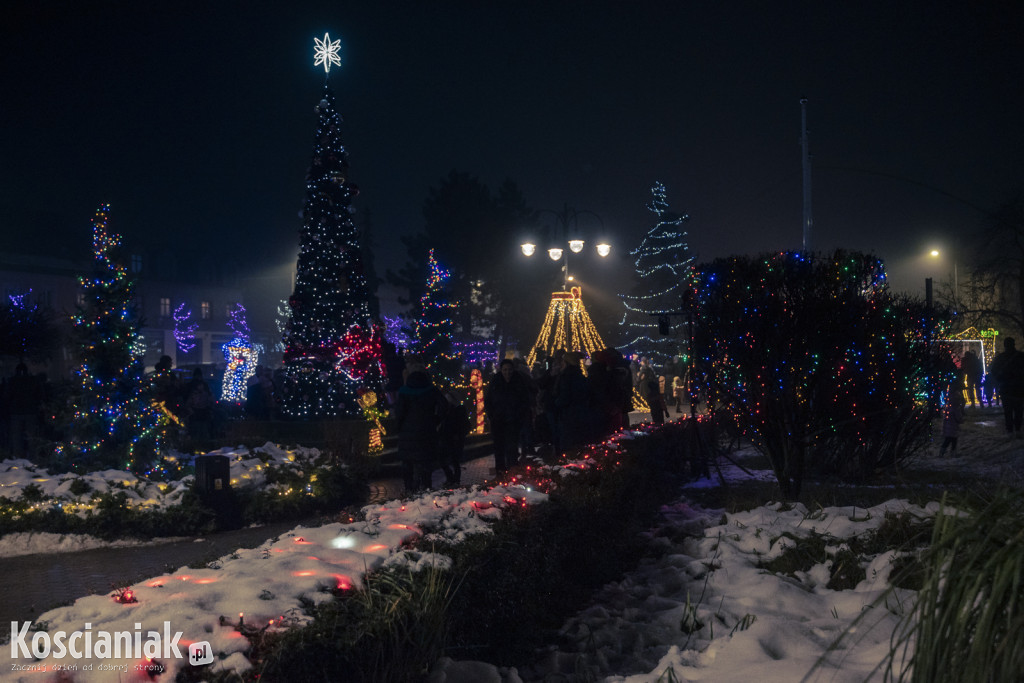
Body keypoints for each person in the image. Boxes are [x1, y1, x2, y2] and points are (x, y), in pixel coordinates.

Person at [394, 369, 447, 493]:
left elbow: (399, 412)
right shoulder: (431, 390)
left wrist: (399, 427)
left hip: (407, 432)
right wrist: (436, 419)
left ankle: (409, 489)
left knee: (407, 464)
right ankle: (426, 489)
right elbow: (444, 405)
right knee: (425, 464)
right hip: (426, 430)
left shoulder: (403, 392)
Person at [484, 358, 532, 474]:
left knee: (512, 446)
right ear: (501, 370)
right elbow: (488, 400)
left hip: (513, 420)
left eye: (509, 370)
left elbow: (524, 400)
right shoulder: (495, 382)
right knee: (499, 447)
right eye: (505, 370)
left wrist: (519, 415)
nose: (507, 372)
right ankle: (500, 471)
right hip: (498, 419)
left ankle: (512, 470)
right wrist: (492, 415)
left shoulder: (519, 381)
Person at [553, 351, 593, 454]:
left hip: (569, 413)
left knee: (568, 441)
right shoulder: (579, 375)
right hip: (579, 412)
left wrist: (556, 403)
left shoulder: (566, 376)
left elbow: (565, 395)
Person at [988, 337, 1024, 436]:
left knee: (1008, 410)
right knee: (1018, 410)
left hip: (1005, 387)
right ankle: (1017, 428)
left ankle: (1010, 429)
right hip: (1019, 388)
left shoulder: (1000, 358)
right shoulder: (1020, 356)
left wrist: (1000, 380)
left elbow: (993, 371)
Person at [438, 389, 469, 487]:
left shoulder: (459, 410)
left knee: (455, 461)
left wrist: (458, 435)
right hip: (447, 438)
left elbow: (462, 425)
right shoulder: (446, 410)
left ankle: (455, 480)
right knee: (444, 459)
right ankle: (451, 478)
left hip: (455, 439)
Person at [939, 385, 966, 457]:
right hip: (953, 427)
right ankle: (953, 452)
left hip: (948, 427)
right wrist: (961, 420)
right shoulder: (956, 408)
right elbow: (958, 417)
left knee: (947, 440)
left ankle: (942, 451)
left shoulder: (948, 407)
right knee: (954, 440)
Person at [636, 357, 665, 425]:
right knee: (648, 395)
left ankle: (646, 405)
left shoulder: (643, 368)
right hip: (649, 383)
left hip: (644, 383)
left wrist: (638, 381)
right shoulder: (649, 368)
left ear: (642, 362)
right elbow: (653, 376)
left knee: (645, 395)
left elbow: (640, 376)